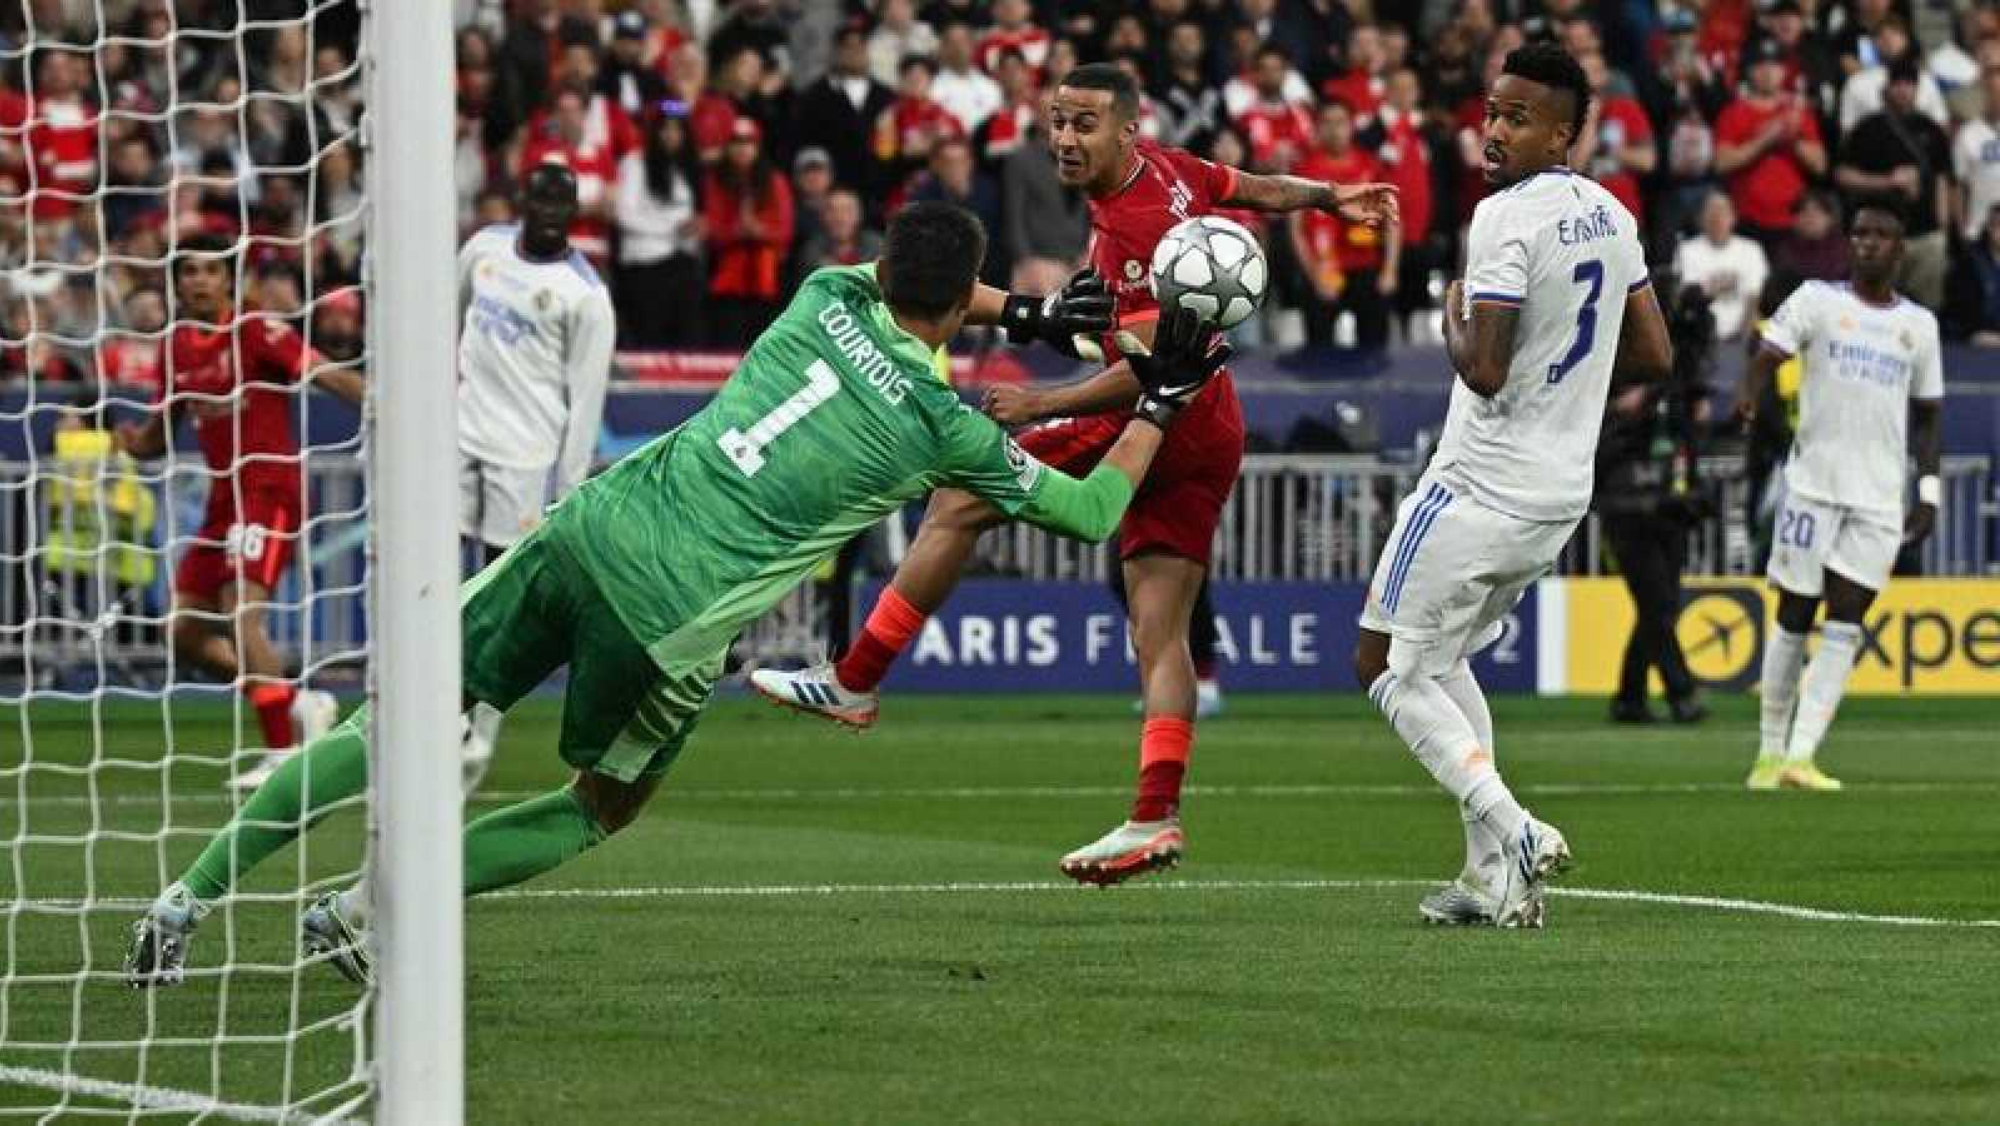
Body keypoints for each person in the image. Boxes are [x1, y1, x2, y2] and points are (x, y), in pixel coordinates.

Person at [122, 202, 1232, 989]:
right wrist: (1159, 401)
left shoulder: (821, 294)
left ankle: (186, 897)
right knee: (597, 806)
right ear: (956, 299)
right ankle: (375, 913)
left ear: (885, 268)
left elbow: (929, 289)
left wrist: (1030, 313)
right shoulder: (942, 426)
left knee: (394, 720)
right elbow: (1091, 514)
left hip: (591, 525)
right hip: (671, 618)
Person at [751, 63, 1397, 886]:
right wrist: (1329, 194)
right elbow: (1256, 189)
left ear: (1127, 128)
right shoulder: (1171, 170)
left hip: (1147, 416)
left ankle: (855, 678)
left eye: (1082, 124)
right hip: (1214, 420)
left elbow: (1149, 369)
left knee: (957, 503)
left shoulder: (1133, 232)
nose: (1063, 138)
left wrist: (1039, 402)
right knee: (1157, 631)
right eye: (1057, 121)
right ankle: (1155, 815)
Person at [1354, 43, 1671, 928]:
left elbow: (1485, 371)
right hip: (1557, 494)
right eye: (1492, 112)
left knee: (1381, 663)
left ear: (1563, 134)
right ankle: (1492, 879)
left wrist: (1451, 321)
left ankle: (1516, 828)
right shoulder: (1611, 213)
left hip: (1475, 483)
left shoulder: (1502, 218)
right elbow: (1654, 353)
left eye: (1518, 118)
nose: (1494, 132)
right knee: (1443, 659)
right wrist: (1565, 392)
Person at [114, 233, 362, 789]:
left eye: (209, 270)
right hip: (223, 500)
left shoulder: (256, 331)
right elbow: (160, 433)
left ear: (230, 279)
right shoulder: (176, 345)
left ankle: (282, 753)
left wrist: (388, 401)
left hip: (269, 488)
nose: (197, 280)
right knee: (182, 630)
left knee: (239, 611)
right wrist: (127, 441)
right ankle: (297, 703)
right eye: (188, 272)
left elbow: (326, 374)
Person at [1738, 196, 1943, 792]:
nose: (1865, 244)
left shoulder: (1919, 326)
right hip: (1813, 488)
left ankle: (1801, 756)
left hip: (1878, 497)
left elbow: (1928, 418)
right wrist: (1751, 392)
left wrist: (1927, 491)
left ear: (1899, 250)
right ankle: (1768, 755)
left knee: (1848, 620)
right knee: (1795, 613)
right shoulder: (1817, 301)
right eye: (1858, 234)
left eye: (1878, 236)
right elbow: (1769, 352)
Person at [455, 163, 617, 786]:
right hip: (458, 439)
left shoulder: (585, 296)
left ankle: (482, 732)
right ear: (522, 199)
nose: (552, 211)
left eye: (564, 202)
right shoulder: (484, 249)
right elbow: (447, 319)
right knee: (437, 583)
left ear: (575, 211)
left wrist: (569, 488)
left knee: (506, 599)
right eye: (543, 198)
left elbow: (587, 400)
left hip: (527, 459)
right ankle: (436, 707)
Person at [1595, 283, 1714, 725]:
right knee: (1658, 604)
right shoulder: (1612, 363)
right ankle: (1681, 691)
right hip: (1626, 506)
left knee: (1660, 605)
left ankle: (1629, 697)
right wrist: (1645, 400)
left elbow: (1695, 426)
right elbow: (1606, 438)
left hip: (1669, 502)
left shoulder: (1677, 374)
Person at [1835, 59, 1954, 310]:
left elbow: (1943, 177)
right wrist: (1887, 181)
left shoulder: (1931, 129)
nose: (1903, 90)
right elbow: (1843, 175)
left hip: (1925, 233)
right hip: (1879, 232)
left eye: (1909, 84)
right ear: (1887, 87)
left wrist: (1942, 224)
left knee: (1927, 307)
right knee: (1873, 305)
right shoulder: (1867, 128)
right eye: (1897, 84)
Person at [1674, 190, 1769, 340]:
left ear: (1733, 218)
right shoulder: (1687, 250)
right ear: (1700, 219)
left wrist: (1742, 338)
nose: (1717, 218)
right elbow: (1687, 298)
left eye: (1722, 212)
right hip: (1700, 338)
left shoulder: (1751, 250)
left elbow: (1755, 298)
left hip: (1741, 337)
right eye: (1711, 213)